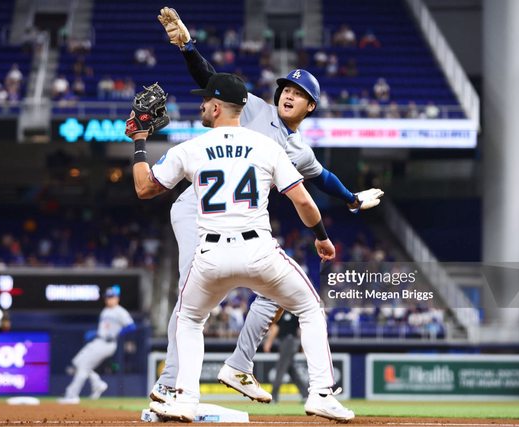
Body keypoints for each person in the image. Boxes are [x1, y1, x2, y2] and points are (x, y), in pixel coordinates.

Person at [151, 6, 383, 405]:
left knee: (276, 293)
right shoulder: (256, 108)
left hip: (237, 221)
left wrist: (351, 200)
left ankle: (239, 365)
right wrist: (187, 47)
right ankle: (169, 384)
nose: (289, 95)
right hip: (197, 208)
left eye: (299, 94)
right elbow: (212, 82)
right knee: (190, 299)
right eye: (287, 89)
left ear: (311, 107)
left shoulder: (299, 149)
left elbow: (322, 177)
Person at [132, 73, 354, 422]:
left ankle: (185, 397)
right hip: (258, 252)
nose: (202, 105)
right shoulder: (268, 146)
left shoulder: (190, 148)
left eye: (206, 100)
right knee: (310, 308)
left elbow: (144, 188)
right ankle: (322, 394)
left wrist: (140, 140)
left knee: (188, 318)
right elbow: (304, 201)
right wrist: (322, 236)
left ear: (217, 108)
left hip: (210, 256)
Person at [58, 286, 136, 404]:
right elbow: (104, 328)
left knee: (84, 366)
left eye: (111, 297)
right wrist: (95, 333)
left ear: (117, 298)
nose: (108, 299)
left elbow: (131, 326)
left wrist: (118, 333)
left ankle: (72, 395)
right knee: (77, 362)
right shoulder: (105, 311)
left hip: (108, 343)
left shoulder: (120, 311)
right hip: (98, 341)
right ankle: (97, 383)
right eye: (107, 297)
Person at [263, 311, 308, 403]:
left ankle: (274, 397)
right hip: (288, 342)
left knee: (281, 368)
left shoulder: (290, 312)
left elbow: (276, 329)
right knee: (291, 370)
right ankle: (306, 395)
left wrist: (268, 343)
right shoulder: (288, 311)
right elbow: (300, 330)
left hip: (289, 342)